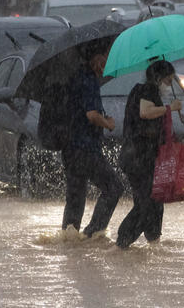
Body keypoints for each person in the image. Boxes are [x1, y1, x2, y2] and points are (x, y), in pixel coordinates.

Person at [115, 60, 183, 249]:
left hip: (142, 158)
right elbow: (145, 112)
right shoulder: (146, 90)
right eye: (168, 81)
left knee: (155, 200)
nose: (170, 86)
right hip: (137, 159)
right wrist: (171, 108)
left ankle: (154, 242)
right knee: (147, 203)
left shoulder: (147, 92)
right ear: (158, 78)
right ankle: (121, 245)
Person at [60, 50, 124, 237]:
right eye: (104, 57)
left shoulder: (76, 77)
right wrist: (108, 124)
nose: (106, 63)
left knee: (75, 198)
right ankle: (93, 234)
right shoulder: (88, 80)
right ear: (95, 57)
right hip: (85, 149)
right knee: (114, 187)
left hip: (70, 148)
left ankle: (69, 239)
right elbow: (91, 115)